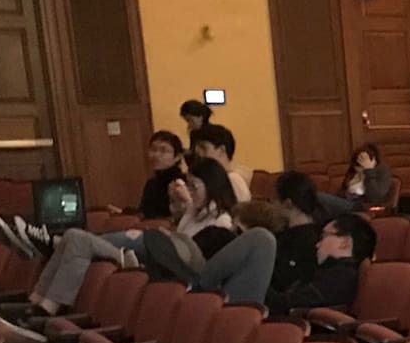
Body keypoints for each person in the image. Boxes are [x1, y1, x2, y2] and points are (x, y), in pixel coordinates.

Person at [15, 158, 236, 314]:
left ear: (212, 187)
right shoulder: (192, 213)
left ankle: (53, 253)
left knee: (80, 238)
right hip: (150, 255)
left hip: (160, 265)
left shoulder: (221, 222)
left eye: (194, 186)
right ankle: (39, 302)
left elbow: (193, 260)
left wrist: (165, 237)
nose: (190, 191)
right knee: (76, 236)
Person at [190, 171, 326, 306]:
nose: (272, 205)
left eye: (274, 200)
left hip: (263, 301)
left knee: (223, 237)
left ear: (287, 204)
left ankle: (193, 284)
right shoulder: (282, 234)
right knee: (214, 237)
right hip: (251, 289)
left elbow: (284, 282)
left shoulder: (309, 242)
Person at [265, 209, 372, 315]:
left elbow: (286, 304)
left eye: (323, 237)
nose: (317, 245)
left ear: (345, 242)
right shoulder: (334, 271)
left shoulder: (340, 276)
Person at [319, 143, 393, 215]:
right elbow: (342, 190)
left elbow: (374, 198)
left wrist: (368, 171)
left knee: (319, 197)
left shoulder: (382, 171)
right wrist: (345, 194)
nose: (358, 170)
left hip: (361, 206)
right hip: (347, 201)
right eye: (357, 166)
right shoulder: (354, 170)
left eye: (361, 166)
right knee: (319, 206)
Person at [188, 124, 252, 207]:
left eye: (203, 148)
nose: (198, 154)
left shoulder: (233, 180)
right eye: (196, 149)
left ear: (221, 150)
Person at [138, 131, 184, 219]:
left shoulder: (181, 182)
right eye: (153, 149)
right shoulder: (151, 183)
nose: (156, 155)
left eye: (163, 150)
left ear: (177, 157)